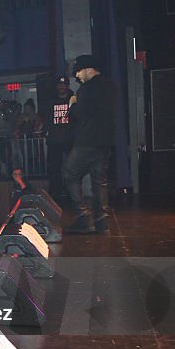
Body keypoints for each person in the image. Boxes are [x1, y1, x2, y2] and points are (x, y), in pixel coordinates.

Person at [63, 55, 115, 233]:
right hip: (105, 140)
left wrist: (72, 104)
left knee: (70, 173)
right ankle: (102, 221)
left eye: (78, 71)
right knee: (99, 180)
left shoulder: (86, 89)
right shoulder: (110, 86)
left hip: (87, 140)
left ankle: (84, 217)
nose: (77, 76)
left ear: (88, 69)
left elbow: (80, 114)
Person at [46, 76, 75, 203]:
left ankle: (72, 193)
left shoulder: (73, 100)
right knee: (54, 168)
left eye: (64, 85)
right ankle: (55, 193)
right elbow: (47, 117)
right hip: (54, 139)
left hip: (69, 139)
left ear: (67, 86)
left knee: (71, 168)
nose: (62, 87)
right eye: (60, 85)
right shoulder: (51, 101)